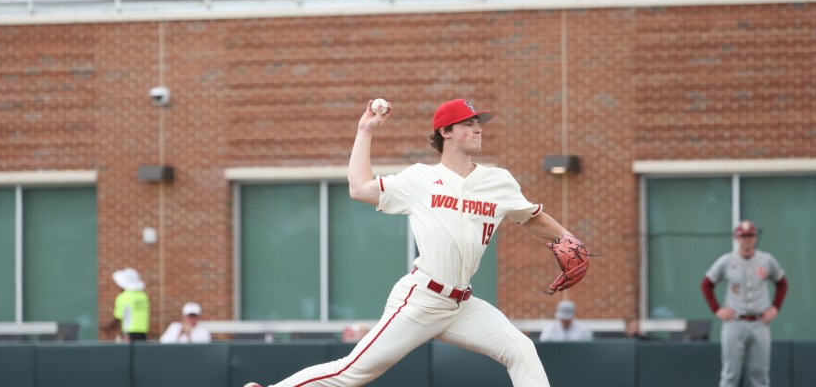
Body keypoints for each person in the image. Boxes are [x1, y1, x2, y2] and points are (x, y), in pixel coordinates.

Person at [243, 98, 585, 387]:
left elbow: (531, 215)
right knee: (354, 371)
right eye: (468, 123)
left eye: (478, 122)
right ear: (445, 132)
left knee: (520, 349)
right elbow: (359, 187)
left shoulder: (498, 181)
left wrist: (568, 238)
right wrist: (365, 130)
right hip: (422, 299)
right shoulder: (421, 178)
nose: (478, 127)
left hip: (462, 304)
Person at [701, 220, 788, 387]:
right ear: (736, 238)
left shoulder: (766, 260)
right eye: (743, 236)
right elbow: (706, 284)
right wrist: (716, 309)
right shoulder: (727, 260)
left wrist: (775, 308)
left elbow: (782, 283)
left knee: (760, 375)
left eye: (750, 235)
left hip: (759, 322)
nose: (747, 239)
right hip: (734, 322)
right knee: (730, 375)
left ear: (755, 237)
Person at [104, 267, 150, 341]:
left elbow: (118, 318)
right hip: (143, 333)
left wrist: (108, 328)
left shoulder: (123, 297)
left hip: (128, 334)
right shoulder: (143, 296)